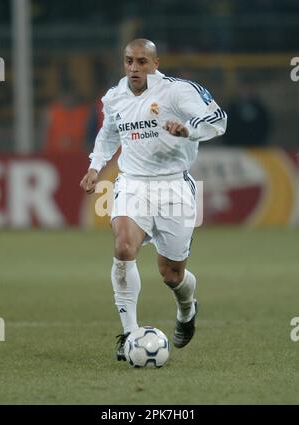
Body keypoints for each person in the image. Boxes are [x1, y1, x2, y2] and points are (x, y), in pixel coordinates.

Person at [80, 39, 227, 361]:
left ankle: (187, 309)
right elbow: (108, 134)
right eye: (129, 61)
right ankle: (130, 333)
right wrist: (94, 166)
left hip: (174, 186)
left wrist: (187, 130)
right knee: (123, 247)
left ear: (156, 63)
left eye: (142, 62)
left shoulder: (178, 91)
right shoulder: (115, 96)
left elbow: (218, 119)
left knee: (172, 275)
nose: (134, 68)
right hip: (132, 184)